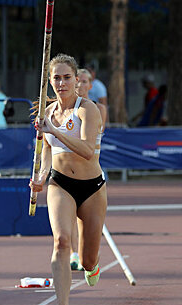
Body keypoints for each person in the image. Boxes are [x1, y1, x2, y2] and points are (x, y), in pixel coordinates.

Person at [30, 54, 107, 305]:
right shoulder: (47, 113)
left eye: (66, 77)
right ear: (49, 82)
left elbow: (87, 151)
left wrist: (53, 130)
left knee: (87, 260)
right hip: (60, 184)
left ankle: (93, 265)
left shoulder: (87, 109)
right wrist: (40, 178)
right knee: (62, 242)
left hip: (92, 188)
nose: (61, 83)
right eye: (56, 78)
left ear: (77, 80)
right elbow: (48, 153)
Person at [69, 68, 108, 271]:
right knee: (71, 216)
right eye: (78, 81)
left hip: (93, 170)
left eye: (85, 82)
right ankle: (73, 253)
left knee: (88, 222)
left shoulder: (97, 109)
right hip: (68, 172)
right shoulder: (65, 109)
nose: (80, 85)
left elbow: (93, 137)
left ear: (90, 85)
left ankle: (89, 256)